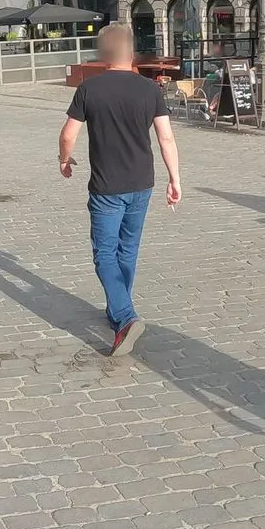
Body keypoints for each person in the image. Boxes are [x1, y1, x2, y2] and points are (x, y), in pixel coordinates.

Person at [59, 24, 182, 356]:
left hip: (106, 186)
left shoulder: (90, 89)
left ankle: (125, 316)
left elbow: (69, 133)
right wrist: (175, 178)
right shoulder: (150, 89)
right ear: (131, 53)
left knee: (104, 254)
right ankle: (119, 311)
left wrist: (64, 159)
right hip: (142, 182)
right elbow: (166, 137)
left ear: (104, 54)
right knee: (127, 251)